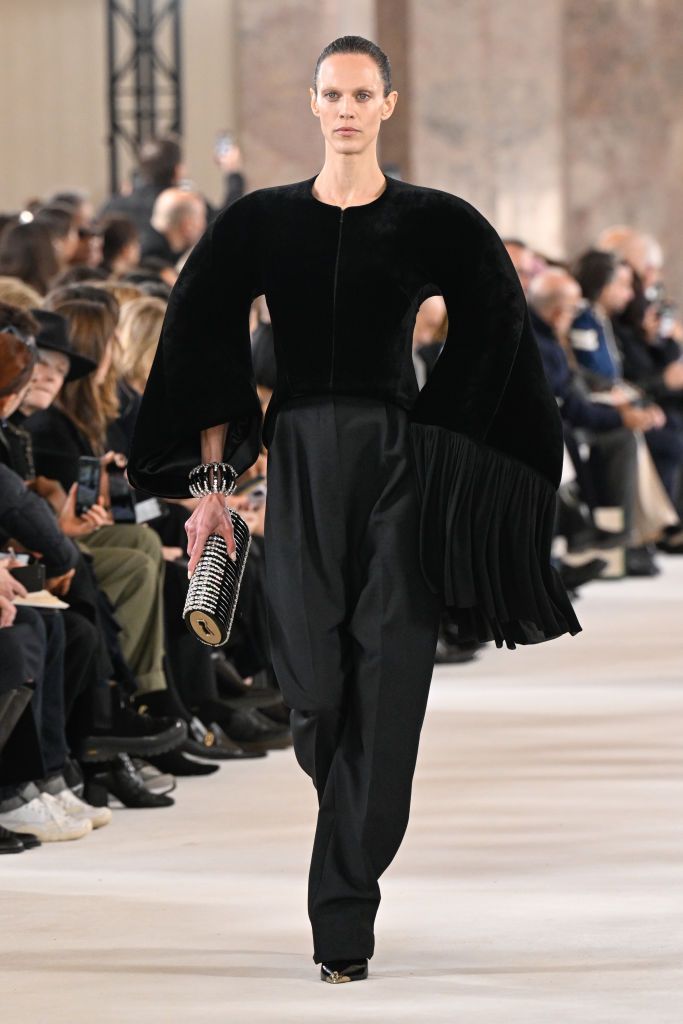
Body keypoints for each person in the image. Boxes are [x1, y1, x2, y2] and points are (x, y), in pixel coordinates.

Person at [128, 35, 581, 983]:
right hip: (295, 455)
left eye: (360, 93)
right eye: (330, 92)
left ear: (386, 104)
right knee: (315, 683)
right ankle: (350, 828)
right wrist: (212, 487)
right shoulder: (260, 222)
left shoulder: (432, 221)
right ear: (312, 103)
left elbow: (497, 320)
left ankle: (342, 917)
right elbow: (203, 338)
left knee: (390, 670)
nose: (343, 107)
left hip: (396, 458)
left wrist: (449, 439)